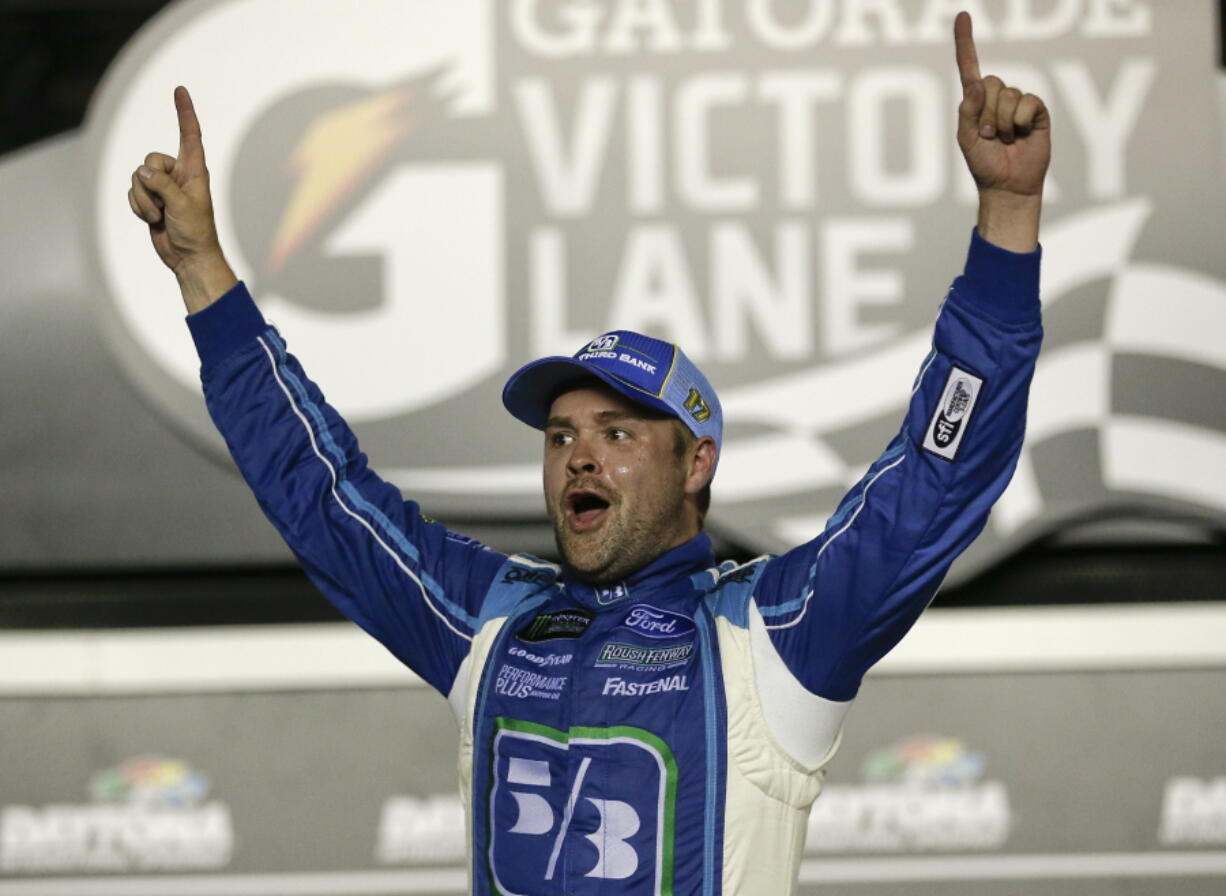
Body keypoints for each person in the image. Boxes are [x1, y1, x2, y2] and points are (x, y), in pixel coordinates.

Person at [128, 12, 1046, 895]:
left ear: (697, 466)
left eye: (617, 434)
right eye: (562, 434)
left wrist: (1007, 214)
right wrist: (205, 274)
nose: (579, 457)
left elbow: (937, 478)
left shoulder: (773, 636)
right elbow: (319, 493)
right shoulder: (488, 621)